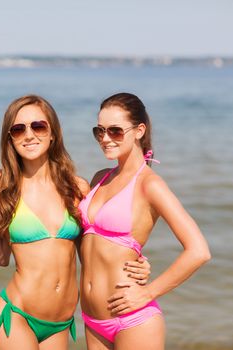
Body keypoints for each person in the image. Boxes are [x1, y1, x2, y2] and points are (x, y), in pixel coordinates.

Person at [0, 95, 151, 349]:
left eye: (38, 126)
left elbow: (93, 250)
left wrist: (132, 262)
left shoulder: (77, 188)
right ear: (10, 139)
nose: (29, 135)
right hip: (16, 316)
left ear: (53, 133)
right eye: (18, 129)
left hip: (61, 323)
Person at [79, 92, 211, 349]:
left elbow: (199, 251)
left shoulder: (150, 185)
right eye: (100, 131)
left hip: (133, 320)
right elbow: (90, 243)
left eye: (115, 131)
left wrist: (149, 292)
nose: (105, 139)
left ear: (139, 131)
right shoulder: (100, 178)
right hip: (92, 319)